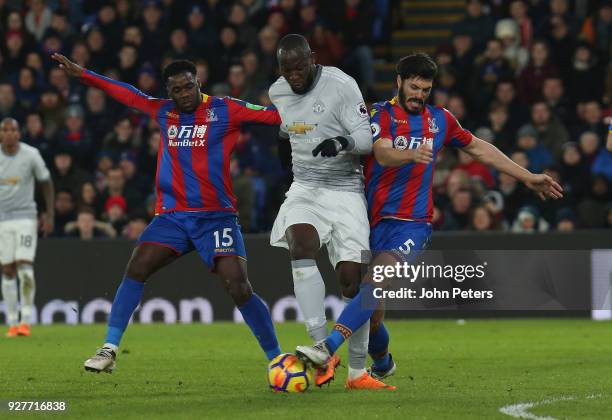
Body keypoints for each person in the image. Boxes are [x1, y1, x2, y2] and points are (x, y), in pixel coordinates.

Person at [295, 53, 564, 382]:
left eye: (425, 89)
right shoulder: (380, 113)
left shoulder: (441, 120)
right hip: (370, 220)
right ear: (399, 81)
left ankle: (327, 349)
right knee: (373, 316)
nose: (419, 94)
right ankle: (382, 362)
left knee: (374, 283)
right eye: (414, 86)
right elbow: (382, 152)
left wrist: (526, 177)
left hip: (413, 224)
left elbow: (479, 148)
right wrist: (411, 154)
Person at [51, 53, 282, 373]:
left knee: (238, 286)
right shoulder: (164, 112)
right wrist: (86, 75)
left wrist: (312, 114)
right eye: (177, 90)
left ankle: (276, 358)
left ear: (198, 83)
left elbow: (273, 116)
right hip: (172, 217)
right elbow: (129, 94)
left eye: (189, 87)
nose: (184, 95)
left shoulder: (224, 108)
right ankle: (109, 349)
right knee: (136, 267)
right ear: (169, 92)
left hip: (216, 216)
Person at [268, 34, 392, 390]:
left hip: (346, 189)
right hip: (305, 187)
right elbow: (282, 133)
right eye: (286, 69)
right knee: (300, 245)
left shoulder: (341, 84)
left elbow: (367, 140)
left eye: (299, 66)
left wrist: (341, 142)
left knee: (353, 281)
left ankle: (357, 373)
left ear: (312, 58)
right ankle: (322, 348)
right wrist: (287, 172)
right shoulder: (277, 91)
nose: (293, 75)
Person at [0, 118, 54, 337]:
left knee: (25, 268)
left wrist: (49, 213)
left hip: (25, 217)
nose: (10, 133)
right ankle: (12, 323)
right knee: (7, 269)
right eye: (6, 130)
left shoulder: (31, 154)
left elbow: (46, 182)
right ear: (1, 134)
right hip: (2, 219)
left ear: (19, 133)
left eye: (14, 129)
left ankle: (26, 321)